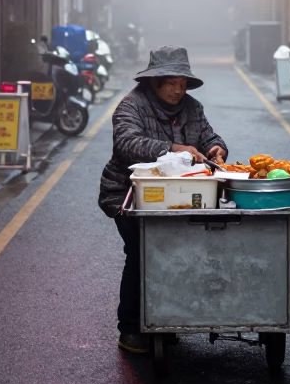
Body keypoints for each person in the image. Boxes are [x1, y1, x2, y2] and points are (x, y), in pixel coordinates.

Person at [98, 46, 228, 354]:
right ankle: (129, 329)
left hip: (180, 194)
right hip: (128, 195)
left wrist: (216, 149)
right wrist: (174, 148)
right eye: (171, 83)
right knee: (142, 251)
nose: (177, 90)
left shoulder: (193, 108)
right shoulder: (132, 105)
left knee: (182, 251)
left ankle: (165, 319)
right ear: (154, 82)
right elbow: (127, 143)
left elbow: (209, 136)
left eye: (182, 83)